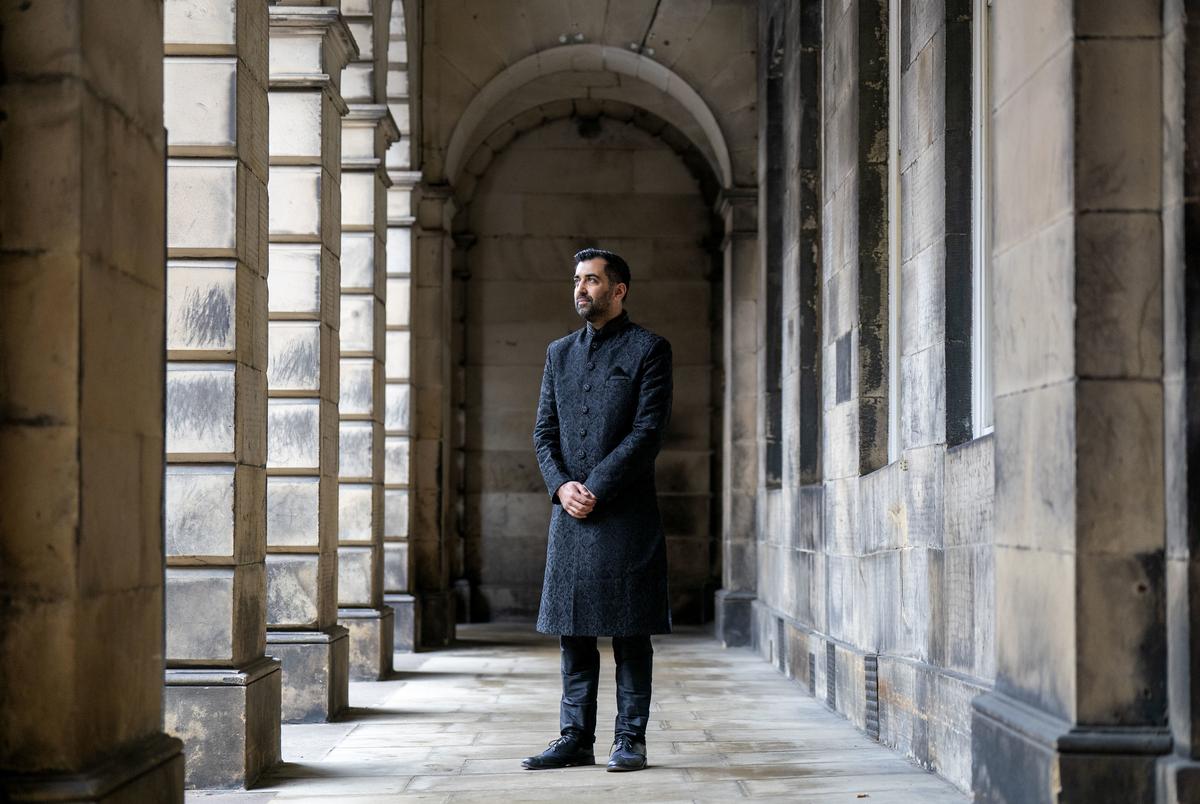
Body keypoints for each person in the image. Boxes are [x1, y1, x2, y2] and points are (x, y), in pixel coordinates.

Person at [521, 248, 674, 773]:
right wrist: (563, 487)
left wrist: (596, 488)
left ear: (618, 290)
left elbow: (647, 433)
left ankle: (630, 740)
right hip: (570, 514)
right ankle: (574, 738)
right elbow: (543, 434)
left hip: (625, 514)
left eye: (591, 280)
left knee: (631, 632)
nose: (580, 289)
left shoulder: (650, 349)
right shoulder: (558, 353)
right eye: (577, 280)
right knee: (574, 631)